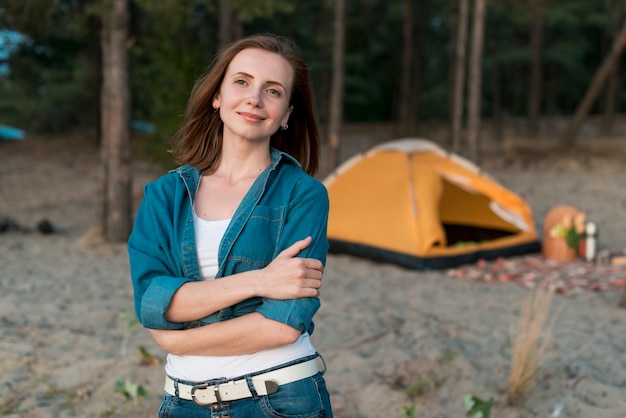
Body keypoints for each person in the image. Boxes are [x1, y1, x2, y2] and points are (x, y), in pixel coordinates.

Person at [127, 33, 333, 417]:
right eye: (241, 82)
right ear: (217, 96)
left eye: (273, 91)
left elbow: (284, 325)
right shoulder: (164, 196)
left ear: (287, 113)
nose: (254, 98)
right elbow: (151, 303)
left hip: (280, 399)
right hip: (182, 404)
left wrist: (178, 338)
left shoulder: (304, 195)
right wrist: (259, 281)